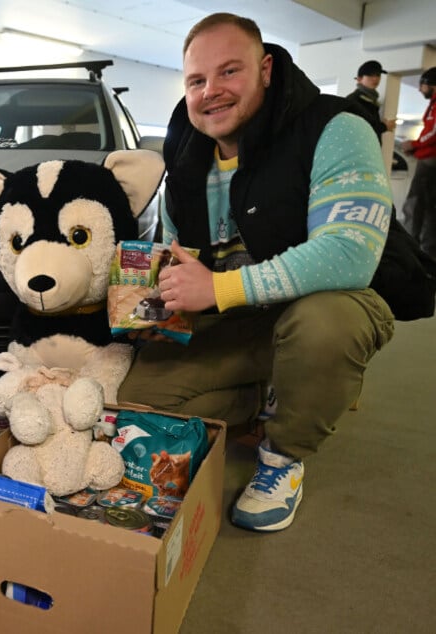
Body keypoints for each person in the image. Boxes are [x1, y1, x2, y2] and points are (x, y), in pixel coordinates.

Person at [116, 13, 395, 532]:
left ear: (266, 69)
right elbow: (177, 253)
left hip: (330, 303)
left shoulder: (336, 127)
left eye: (229, 72)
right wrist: (161, 304)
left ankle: (283, 455)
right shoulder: (183, 154)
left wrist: (218, 287)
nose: (211, 92)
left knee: (322, 328)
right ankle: (278, 391)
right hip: (238, 316)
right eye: (196, 80)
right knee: (139, 403)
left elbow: (350, 253)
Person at [400, 67, 436, 257]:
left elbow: (433, 133)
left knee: (415, 205)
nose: (420, 90)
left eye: (421, 85)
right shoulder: (433, 105)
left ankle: (408, 251)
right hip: (428, 158)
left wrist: (414, 144)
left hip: (430, 162)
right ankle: (427, 252)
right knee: (429, 208)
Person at [344, 60, 396, 142]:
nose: (375, 78)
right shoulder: (354, 99)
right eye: (370, 75)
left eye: (378, 75)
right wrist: (384, 126)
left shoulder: (371, 100)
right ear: (359, 79)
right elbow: (360, 126)